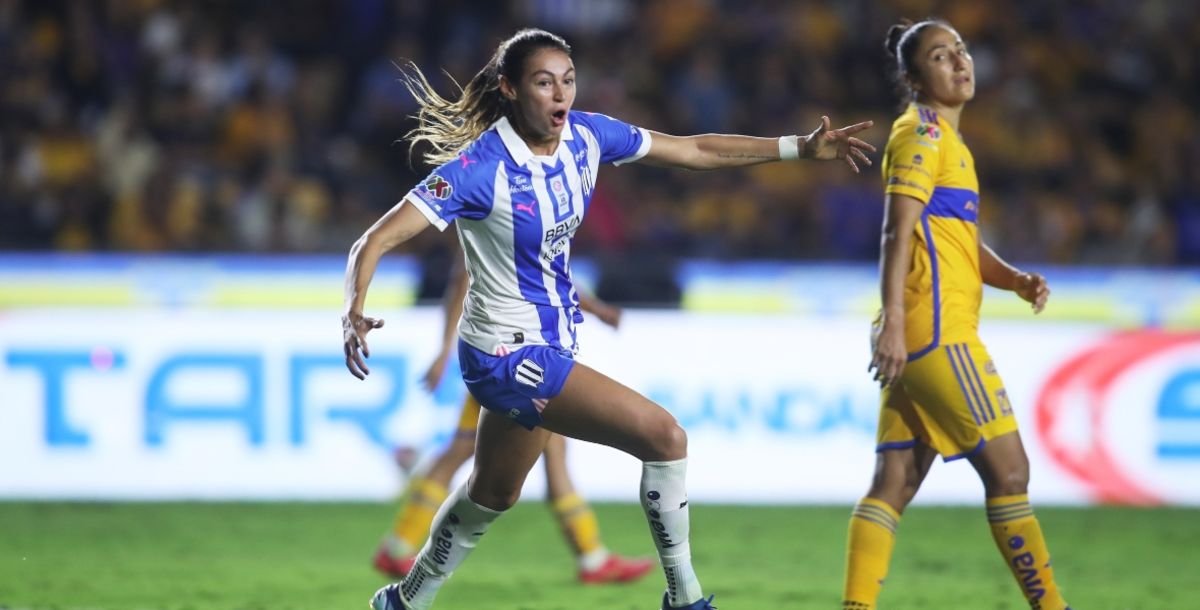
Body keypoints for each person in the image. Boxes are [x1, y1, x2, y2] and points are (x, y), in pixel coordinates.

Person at [342, 28, 875, 610]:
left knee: (491, 495)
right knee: (664, 437)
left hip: (551, 344)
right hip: (505, 355)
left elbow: (693, 150)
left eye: (567, 81)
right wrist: (353, 311)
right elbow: (376, 238)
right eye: (543, 83)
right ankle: (685, 597)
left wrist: (798, 147)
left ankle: (403, 600)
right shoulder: (478, 168)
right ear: (510, 89)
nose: (559, 94)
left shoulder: (588, 136)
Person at [840, 19, 1071, 610]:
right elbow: (898, 229)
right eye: (941, 57)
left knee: (894, 484)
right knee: (1010, 474)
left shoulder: (950, 140)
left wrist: (1012, 278)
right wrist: (893, 320)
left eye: (962, 51)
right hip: (936, 335)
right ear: (915, 78)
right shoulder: (921, 134)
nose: (960, 62)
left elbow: (957, 240)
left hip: (915, 335)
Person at [373, 245, 654, 584]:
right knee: (462, 452)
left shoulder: (524, 224)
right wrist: (445, 350)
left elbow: (551, 277)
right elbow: (461, 283)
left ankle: (592, 557)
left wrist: (594, 308)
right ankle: (399, 545)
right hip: (504, 364)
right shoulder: (492, 220)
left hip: (537, 362)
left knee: (553, 453)